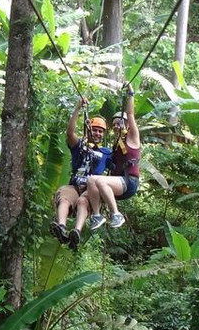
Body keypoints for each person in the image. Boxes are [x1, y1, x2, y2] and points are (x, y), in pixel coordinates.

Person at [50, 98, 111, 250]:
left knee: (83, 202)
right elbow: (70, 132)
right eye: (95, 130)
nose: (97, 133)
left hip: (90, 190)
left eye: (100, 131)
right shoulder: (79, 146)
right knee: (64, 197)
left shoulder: (106, 153)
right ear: (89, 130)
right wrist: (78, 108)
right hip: (75, 185)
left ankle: (76, 231)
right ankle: (61, 227)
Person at [85, 87, 140, 230]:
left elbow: (130, 114)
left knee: (100, 181)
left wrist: (130, 94)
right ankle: (97, 216)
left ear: (126, 125)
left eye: (119, 123)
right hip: (119, 183)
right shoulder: (117, 145)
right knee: (91, 180)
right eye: (114, 124)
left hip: (129, 182)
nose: (116, 126)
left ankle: (116, 214)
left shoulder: (132, 138)